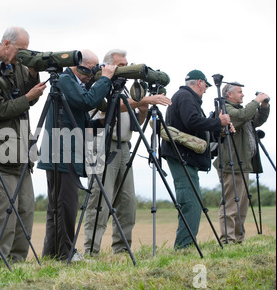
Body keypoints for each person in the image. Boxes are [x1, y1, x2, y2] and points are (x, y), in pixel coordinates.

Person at [83, 49, 172, 255]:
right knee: (99, 201)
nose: (125, 69)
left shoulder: (124, 90)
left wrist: (142, 111)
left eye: (126, 65)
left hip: (124, 147)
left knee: (127, 202)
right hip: (100, 145)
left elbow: (134, 124)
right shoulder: (100, 85)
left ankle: (122, 249)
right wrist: (144, 101)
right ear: (109, 66)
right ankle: (91, 250)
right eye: (120, 66)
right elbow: (109, 108)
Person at [0, 26, 46, 264]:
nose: (23, 54)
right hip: (0, 152)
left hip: (22, 150)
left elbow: (26, 97)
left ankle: (17, 262)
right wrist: (28, 98)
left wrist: (33, 70)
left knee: (26, 210)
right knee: (6, 213)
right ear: (5, 44)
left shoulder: (16, 67)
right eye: (21, 50)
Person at [37, 49, 117, 261]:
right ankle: (65, 252)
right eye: (89, 70)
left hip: (64, 150)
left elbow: (75, 122)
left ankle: (52, 254)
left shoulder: (72, 83)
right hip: (61, 153)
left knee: (58, 207)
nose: (91, 76)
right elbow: (87, 102)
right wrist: (106, 79)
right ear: (77, 65)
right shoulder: (65, 80)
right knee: (66, 206)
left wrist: (97, 124)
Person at [161, 70, 232, 250]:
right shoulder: (185, 96)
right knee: (190, 202)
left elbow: (194, 127)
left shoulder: (186, 97)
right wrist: (218, 122)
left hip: (186, 157)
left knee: (193, 201)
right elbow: (192, 121)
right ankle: (184, 247)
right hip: (182, 156)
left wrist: (218, 129)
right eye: (206, 86)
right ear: (199, 82)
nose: (206, 90)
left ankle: (186, 245)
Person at [213, 84, 270, 244]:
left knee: (242, 205)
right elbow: (244, 115)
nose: (243, 95)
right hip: (231, 163)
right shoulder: (226, 110)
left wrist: (264, 106)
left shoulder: (240, 110)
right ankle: (227, 240)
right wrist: (256, 100)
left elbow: (256, 120)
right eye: (240, 92)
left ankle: (238, 239)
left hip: (242, 163)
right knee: (230, 203)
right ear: (229, 94)